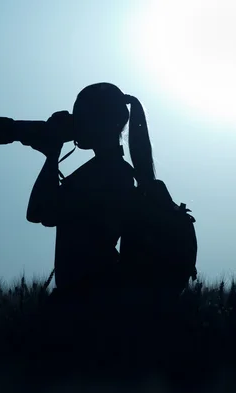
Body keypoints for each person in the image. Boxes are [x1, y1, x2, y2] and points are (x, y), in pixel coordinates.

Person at [26, 82, 155, 298]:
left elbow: (41, 211)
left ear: (101, 122)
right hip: (95, 296)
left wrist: (52, 155)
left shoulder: (105, 173)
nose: (75, 123)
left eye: (81, 116)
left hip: (89, 301)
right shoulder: (116, 171)